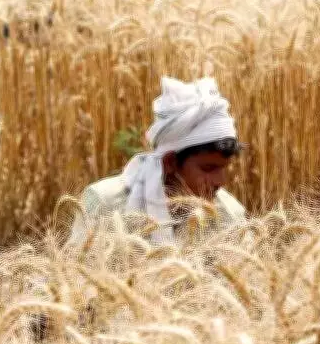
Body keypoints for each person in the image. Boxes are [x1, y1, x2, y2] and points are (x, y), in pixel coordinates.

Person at [67, 75, 247, 247]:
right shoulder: (104, 203)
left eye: (224, 168)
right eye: (208, 168)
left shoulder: (230, 215)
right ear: (170, 163)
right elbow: (74, 272)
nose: (220, 181)